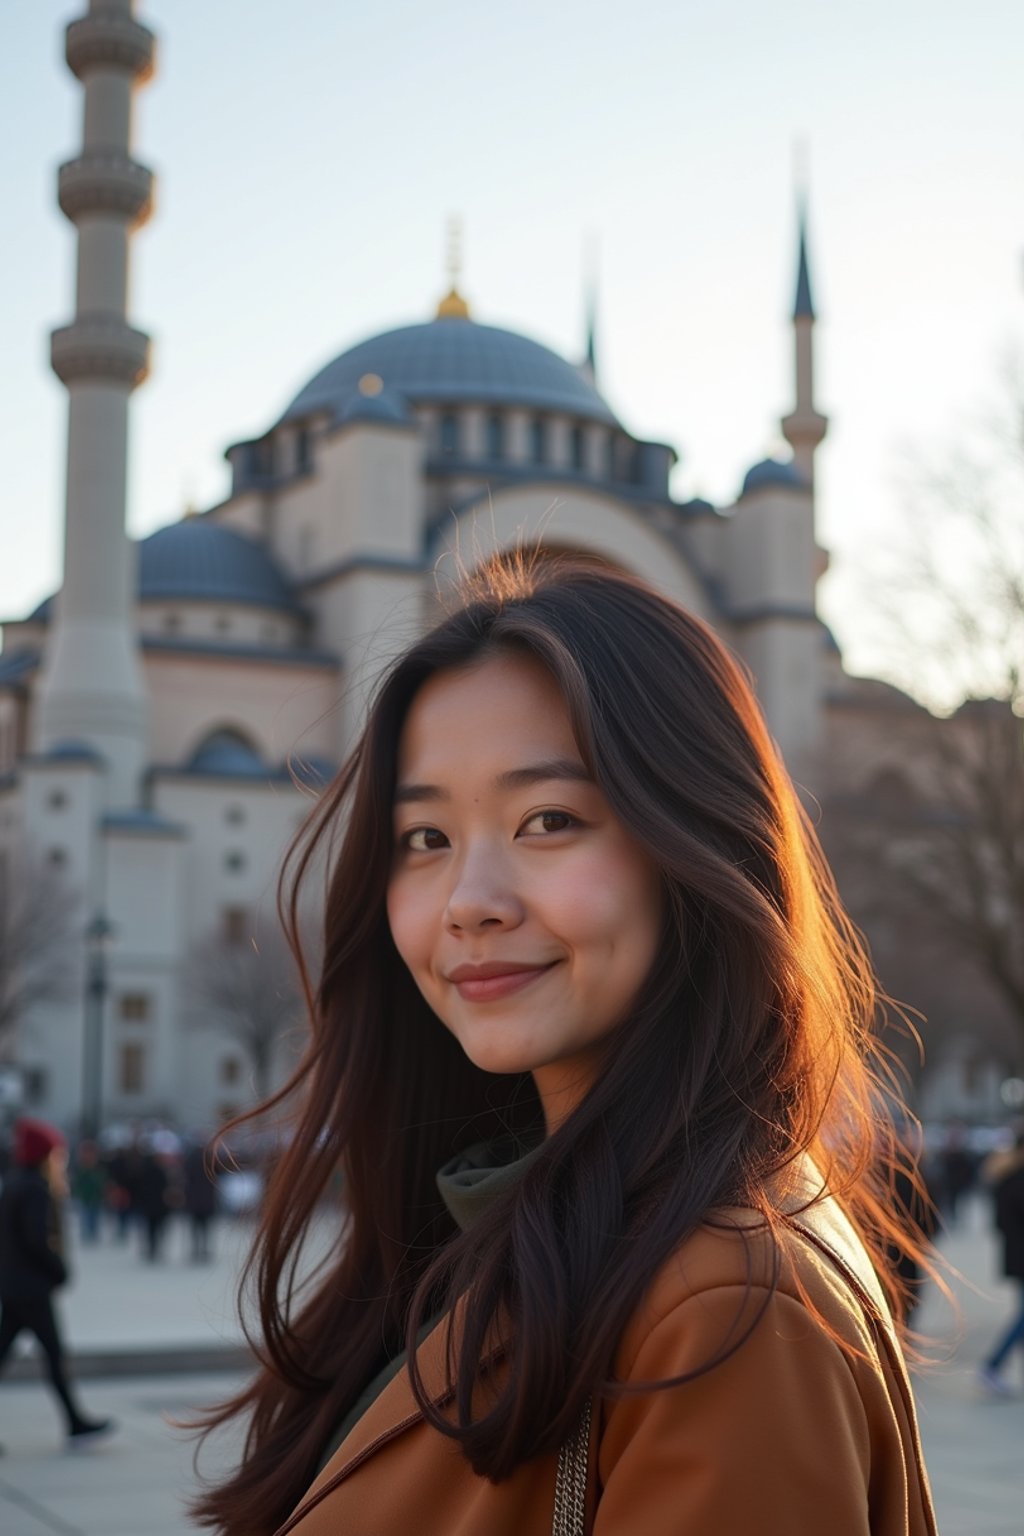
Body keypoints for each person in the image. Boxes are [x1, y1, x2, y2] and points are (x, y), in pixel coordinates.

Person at [191, 558, 937, 1536]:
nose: (469, 903)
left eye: (548, 820)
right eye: (423, 837)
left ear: (697, 843)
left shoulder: (726, 1310)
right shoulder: (495, 1226)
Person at [0, 1117, 115, 1444]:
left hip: (16, 1286)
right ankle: (75, 1422)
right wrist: (58, 1269)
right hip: (31, 1288)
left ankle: (75, 1421)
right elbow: (37, 1239)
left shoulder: (14, 1182)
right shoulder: (35, 1187)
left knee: (37, 1354)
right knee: (53, 1354)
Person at [977, 1131, 1024, 1395]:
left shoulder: (1006, 1179)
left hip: (1016, 1257)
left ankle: (994, 1367)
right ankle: (992, 1366)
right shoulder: (1016, 1181)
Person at [183, 1141, 218, 1263]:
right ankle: (203, 1249)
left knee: (195, 1227)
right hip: (206, 1200)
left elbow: (185, 1179)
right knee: (205, 1227)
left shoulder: (190, 1162)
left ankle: (196, 1249)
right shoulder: (209, 1162)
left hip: (194, 1200)